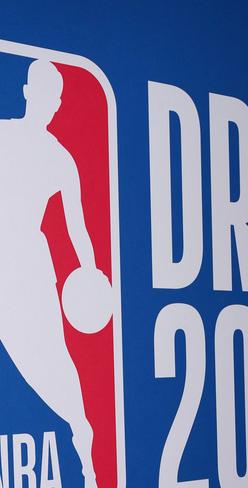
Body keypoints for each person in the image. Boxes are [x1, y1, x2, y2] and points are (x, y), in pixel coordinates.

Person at [0, 59, 98, 488]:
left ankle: (85, 445)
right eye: (42, 95)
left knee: (58, 365)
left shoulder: (60, 158)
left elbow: (77, 227)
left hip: (30, 273)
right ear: (27, 94)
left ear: (58, 104)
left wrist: (92, 274)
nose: (48, 105)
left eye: (53, 99)